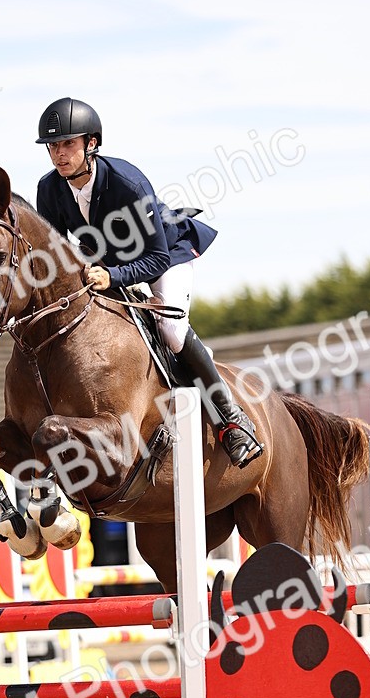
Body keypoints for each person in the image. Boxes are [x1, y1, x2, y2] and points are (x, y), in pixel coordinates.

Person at [35, 97, 264, 468]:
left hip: (165, 257)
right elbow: (58, 254)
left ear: (91, 143)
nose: (59, 154)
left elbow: (155, 258)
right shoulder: (49, 190)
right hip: (107, 264)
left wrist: (113, 276)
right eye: (53, 146)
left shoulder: (128, 183)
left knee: (171, 331)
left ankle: (230, 419)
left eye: (68, 144)